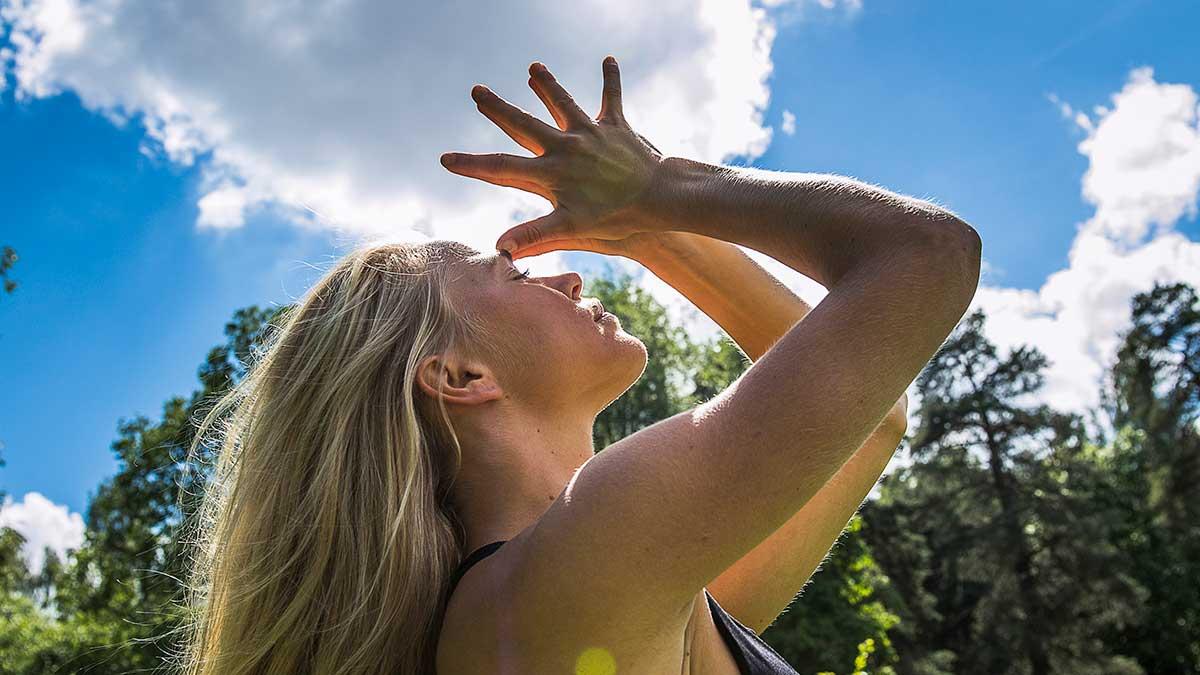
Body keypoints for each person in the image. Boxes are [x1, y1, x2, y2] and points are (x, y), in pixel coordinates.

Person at [179, 56, 981, 675]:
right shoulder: (590, 557)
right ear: (457, 376)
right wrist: (662, 189)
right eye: (515, 273)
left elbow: (874, 419)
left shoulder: (606, 594)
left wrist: (650, 234)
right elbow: (924, 253)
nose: (569, 273)